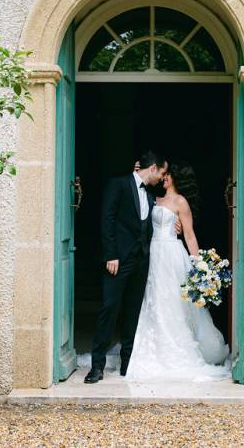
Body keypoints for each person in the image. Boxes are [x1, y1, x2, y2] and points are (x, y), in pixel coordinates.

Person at [124, 160, 230, 382]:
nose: (163, 177)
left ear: (175, 177)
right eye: (163, 174)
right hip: (153, 252)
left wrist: (199, 267)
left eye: (167, 174)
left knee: (172, 300)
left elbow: (189, 235)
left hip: (172, 254)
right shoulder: (153, 198)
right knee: (153, 298)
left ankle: (174, 347)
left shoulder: (180, 202)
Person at [84, 151, 168, 383]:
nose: (162, 178)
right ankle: (97, 366)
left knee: (132, 312)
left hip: (141, 261)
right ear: (152, 168)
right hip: (118, 260)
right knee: (109, 308)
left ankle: (127, 364)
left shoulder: (151, 194)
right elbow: (107, 219)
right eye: (161, 173)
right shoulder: (118, 184)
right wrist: (111, 254)